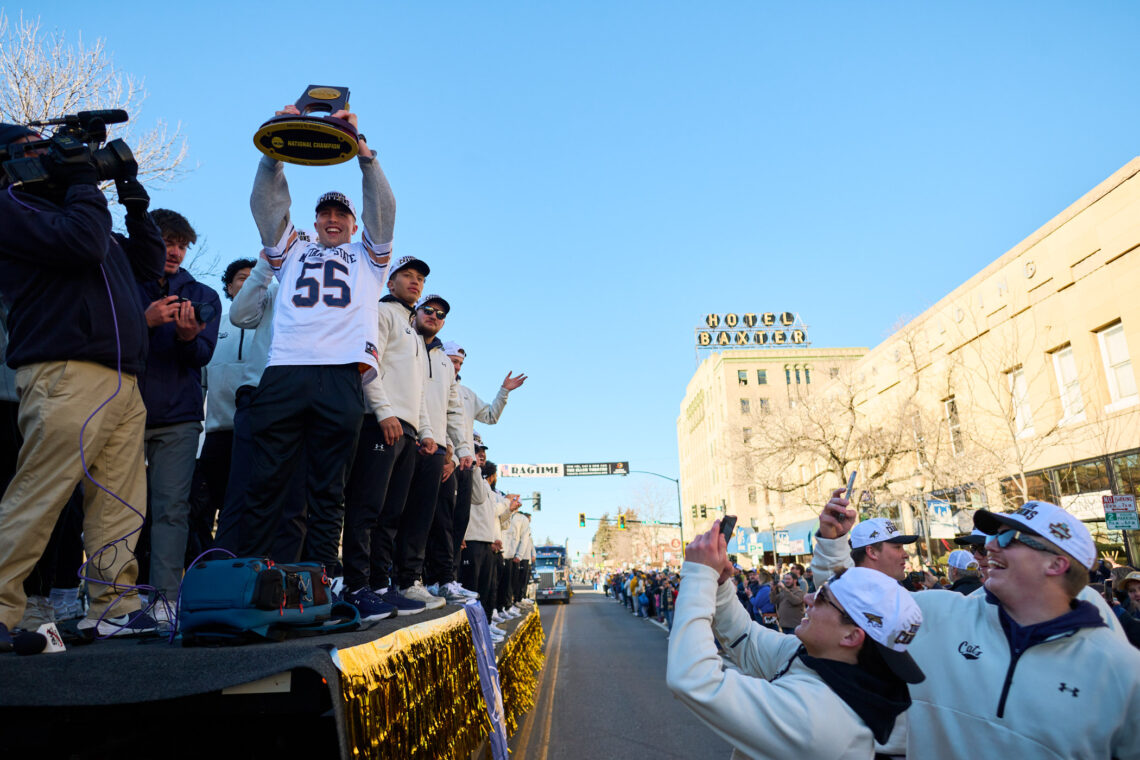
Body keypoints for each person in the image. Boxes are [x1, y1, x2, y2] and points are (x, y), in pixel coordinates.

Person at [0, 121, 165, 646]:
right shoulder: (12, 206)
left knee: (121, 503)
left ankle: (114, 607)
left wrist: (133, 201)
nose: (51, 155)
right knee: (39, 496)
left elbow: (146, 263)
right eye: (35, 149)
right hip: (66, 371)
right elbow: (85, 243)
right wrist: (82, 182)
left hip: (122, 377)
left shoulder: (76, 212)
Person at [815, 493, 1140, 758]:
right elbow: (850, 597)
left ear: (1057, 564)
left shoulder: (1122, 672)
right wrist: (833, 542)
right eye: (994, 535)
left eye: (1009, 537)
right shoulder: (938, 613)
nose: (991, 546)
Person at [239, 106, 393, 579]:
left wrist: (366, 158)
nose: (331, 219)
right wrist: (273, 151)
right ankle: (256, 573)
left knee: (329, 485)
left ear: (351, 223)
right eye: (324, 212)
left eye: (340, 214)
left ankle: (328, 575)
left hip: (341, 373)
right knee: (267, 478)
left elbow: (383, 210)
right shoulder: (295, 248)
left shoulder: (369, 257)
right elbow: (268, 208)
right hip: (286, 369)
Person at [667, 521, 925, 759]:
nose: (808, 599)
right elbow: (745, 638)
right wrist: (721, 584)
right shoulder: (819, 662)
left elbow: (694, 679)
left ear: (851, 636)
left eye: (823, 598)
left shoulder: (818, 718)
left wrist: (699, 575)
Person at [340, 255, 437, 619]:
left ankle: (381, 585)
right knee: (368, 507)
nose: (415, 282)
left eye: (420, 278)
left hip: (408, 432)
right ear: (390, 282)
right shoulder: (380, 313)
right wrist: (384, 412)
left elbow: (419, 390)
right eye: (406, 275)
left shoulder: (413, 329)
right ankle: (356, 585)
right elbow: (367, 365)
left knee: (392, 513)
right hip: (381, 424)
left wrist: (425, 431)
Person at [135, 208, 220, 621]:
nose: (175, 251)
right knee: (117, 507)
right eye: (168, 240)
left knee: (171, 508)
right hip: (122, 409)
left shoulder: (203, 294)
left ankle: (165, 599)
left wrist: (188, 338)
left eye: (183, 244)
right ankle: (112, 596)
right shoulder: (123, 281)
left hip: (180, 417)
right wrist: (145, 322)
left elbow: (202, 355)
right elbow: (104, 337)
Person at [392, 293, 464, 605]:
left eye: (440, 314)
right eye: (429, 310)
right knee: (390, 512)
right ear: (417, 311)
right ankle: (382, 581)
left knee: (422, 519)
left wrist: (453, 451)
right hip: (402, 434)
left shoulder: (446, 362)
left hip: (434, 450)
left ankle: (411, 580)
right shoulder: (405, 340)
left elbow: (452, 410)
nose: (434, 316)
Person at [185, 257, 255, 564]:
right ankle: (205, 571)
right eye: (242, 278)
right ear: (228, 286)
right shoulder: (214, 325)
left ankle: (239, 573)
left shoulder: (274, 327)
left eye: (255, 278)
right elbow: (199, 384)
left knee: (244, 511)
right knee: (200, 510)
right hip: (215, 435)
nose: (248, 283)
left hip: (256, 436)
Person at [812, 515, 918, 583]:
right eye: (898, 547)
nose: (906, 555)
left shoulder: (896, 592)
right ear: (872, 552)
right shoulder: (848, 595)